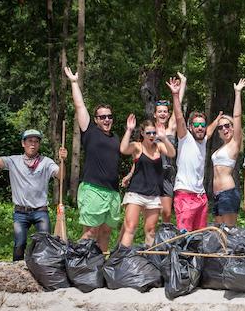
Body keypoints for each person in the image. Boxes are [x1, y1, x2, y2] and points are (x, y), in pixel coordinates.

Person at [0, 128, 67, 261]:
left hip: (41, 211)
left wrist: (63, 160)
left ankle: (44, 273)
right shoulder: (13, 161)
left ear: (39, 144)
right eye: (30, 141)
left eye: (36, 141)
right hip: (20, 212)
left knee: (45, 244)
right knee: (19, 244)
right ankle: (18, 272)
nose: (33, 144)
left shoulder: (46, 162)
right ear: (23, 143)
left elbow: (61, 176)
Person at [65, 66, 121, 252]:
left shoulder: (115, 138)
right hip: (93, 189)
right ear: (96, 119)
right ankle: (76, 262)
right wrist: (74, 82)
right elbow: (80, 106)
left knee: (105, 232)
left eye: (109, 116)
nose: (106, 120)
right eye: (102, 117)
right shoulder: (89, 132)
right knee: (91, 233)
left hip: (112, 192)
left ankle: (99, 268)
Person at [122, 73, 187, 223]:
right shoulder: (150, 131)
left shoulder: (170, 129)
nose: (163, 113)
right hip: (148, 173)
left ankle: (161, 241)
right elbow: (139, 156)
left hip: (166, 173)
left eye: (165, 111)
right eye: (160, 111)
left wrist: (180, 87)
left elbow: (178, 111)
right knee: (135, 217)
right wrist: (130, 174)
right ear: (155, 114)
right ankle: (122, 244)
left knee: (166, 214)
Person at [166, 77, 220, 231]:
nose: (200, 127)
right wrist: (175, 95)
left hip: (201, 197)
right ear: (190, 127)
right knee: (185, 236)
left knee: (199, 237)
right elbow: (178, 117)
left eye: (202, 124)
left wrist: (216, 121)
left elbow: (209, 130)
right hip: (185, 195)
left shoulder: (203, 140)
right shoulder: (185, 138)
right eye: (196, 125)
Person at [119, 116, 175, 247]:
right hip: (136, 194)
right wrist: (129, 130)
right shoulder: (137, 147)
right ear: (142, 133)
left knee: (150, 231)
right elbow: (123, 149)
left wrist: (164, 137)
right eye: (148, 133)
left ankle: (149, 261)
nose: (151, 136)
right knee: (130, 227)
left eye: (154, 133)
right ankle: (121, 259)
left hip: (153, 195)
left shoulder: (159, 146)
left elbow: (172, 153)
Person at [211, 78, 245, 226]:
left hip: (228, 192)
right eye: (220, 127)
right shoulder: (219, 149)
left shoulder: (234, 144)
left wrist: (237, 93)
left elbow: (237, 117)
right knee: (219, 233)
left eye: (227, 126)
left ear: (233, 128)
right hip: (216, 195)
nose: (224, 129)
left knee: (229, 232)